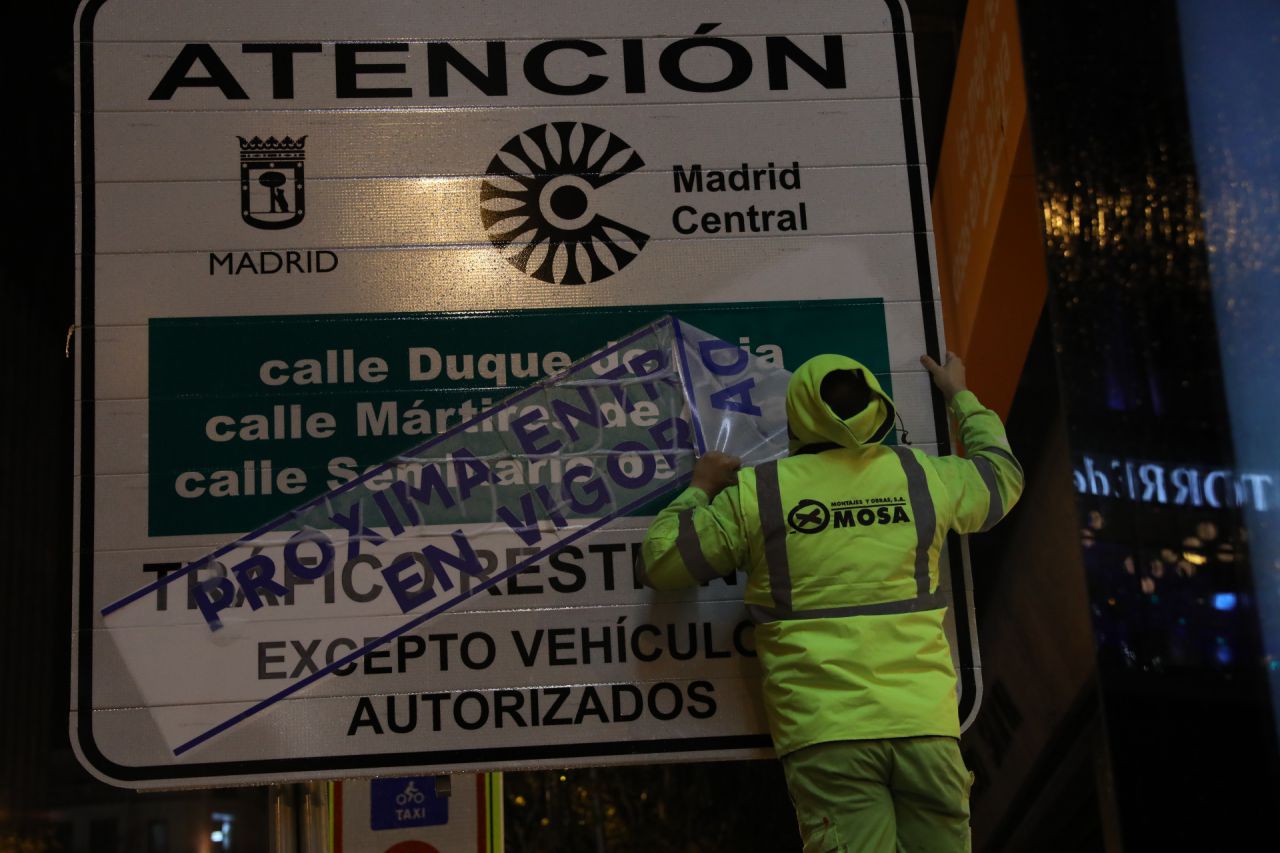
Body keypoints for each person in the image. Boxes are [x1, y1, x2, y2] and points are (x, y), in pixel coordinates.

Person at [637, 351, 1023, 852]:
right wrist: (959, 395)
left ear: (797, 412)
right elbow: (1001, 479)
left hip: (826, 732)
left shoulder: (760, 493)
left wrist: (700, 487)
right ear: (875, 408)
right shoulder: (921, 476)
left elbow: (663, 563)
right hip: (925, 725)